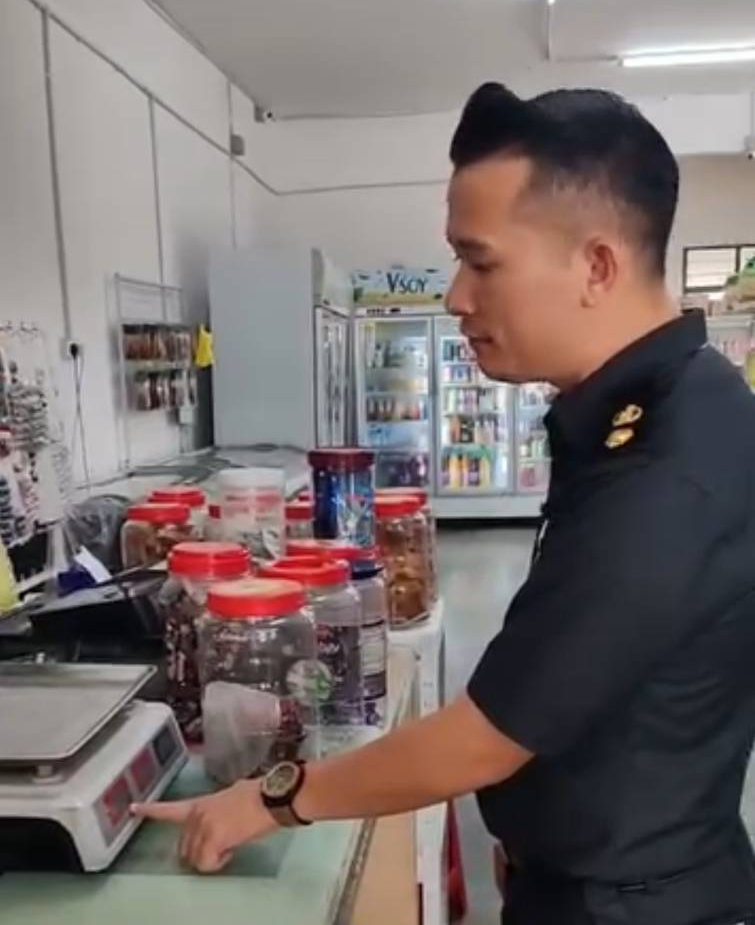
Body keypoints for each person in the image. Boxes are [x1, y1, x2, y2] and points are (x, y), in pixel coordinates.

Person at [135, 83, 755, 925]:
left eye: (482, 260)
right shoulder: (651, 410)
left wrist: (269, 800)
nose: (456, 296)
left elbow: (484, 736)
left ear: (596, 266)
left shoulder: (666, 464)